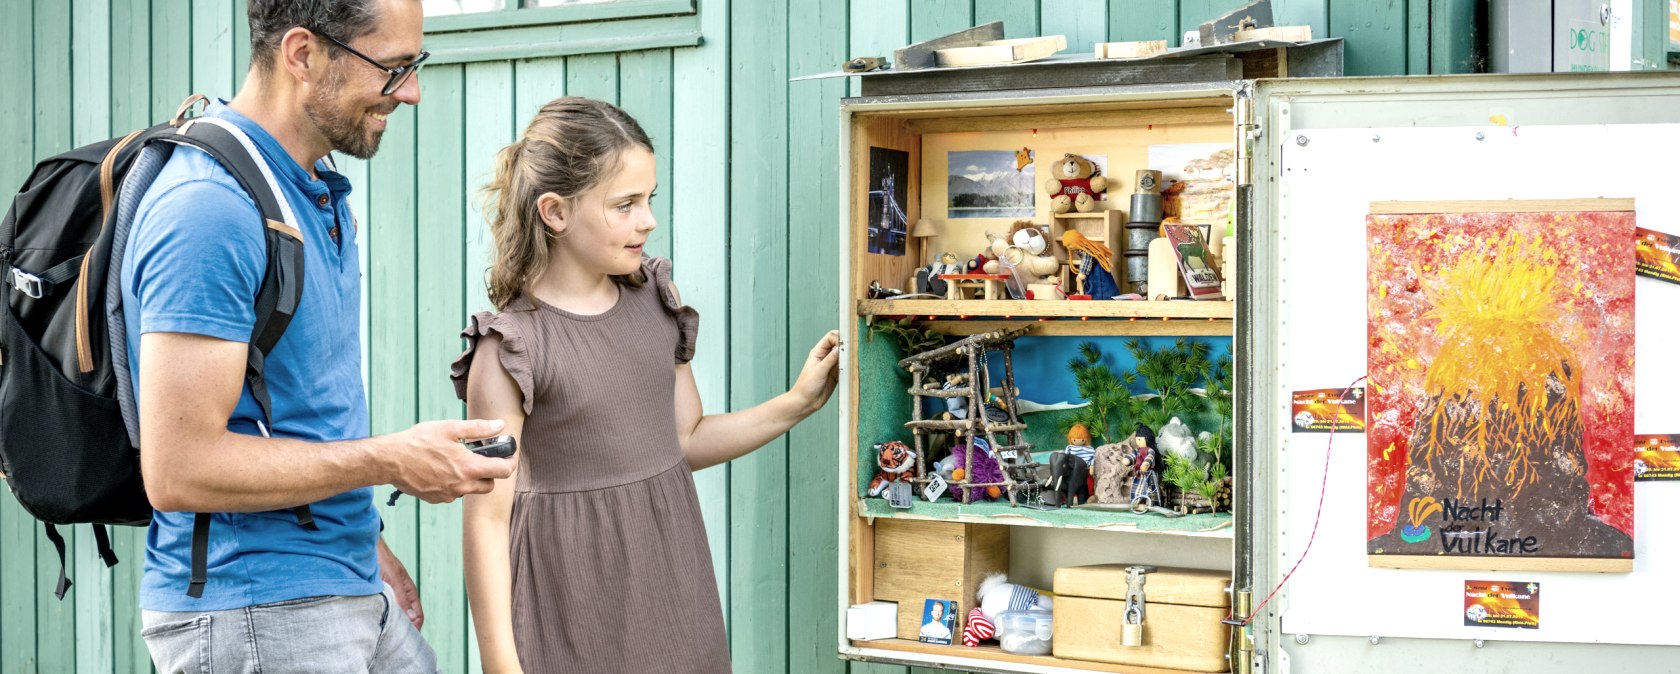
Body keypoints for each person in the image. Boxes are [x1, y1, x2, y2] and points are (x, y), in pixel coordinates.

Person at [123, 1, 514, 671]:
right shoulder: (209, 209)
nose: (411, 92)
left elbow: (296, 407)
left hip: (336, 578)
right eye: (393, 67)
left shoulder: (307, 188)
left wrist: (364, 540)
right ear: (302, 54)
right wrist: (391, 460)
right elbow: (179, 468)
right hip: (256, 606)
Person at [455, 97, 841, 673]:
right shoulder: (510, 347)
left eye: (649, 199)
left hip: (677, 605)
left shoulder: (655, 304)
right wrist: (500, 665)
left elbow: (685, 439)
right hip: (570, 619)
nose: (648, 220)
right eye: (625, 204)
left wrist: (798, 402)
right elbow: (487, 521)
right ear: (555, 212)